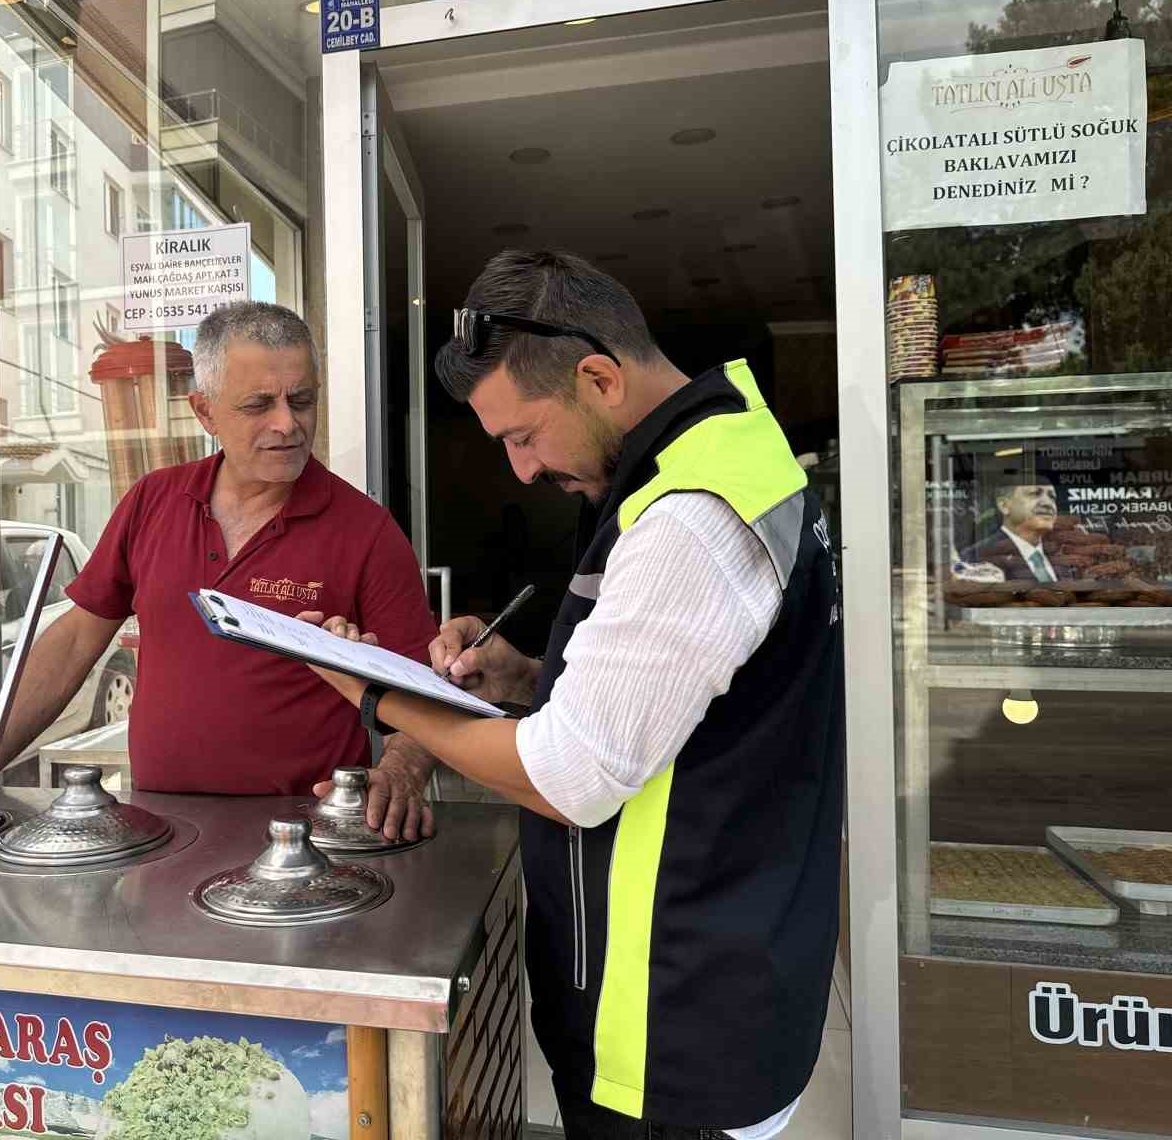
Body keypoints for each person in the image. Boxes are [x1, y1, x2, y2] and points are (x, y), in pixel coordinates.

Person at [306, 250, 843, 1138]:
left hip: (674, 1022)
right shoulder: (716, 456)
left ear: (597, 376)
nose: (520, 471)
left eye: (523, 437)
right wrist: (522, 675)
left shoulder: (692, 518)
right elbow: (694, 697)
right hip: (706, 969)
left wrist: (378, 697)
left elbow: (569, 777)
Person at [0, 302, 438, 839]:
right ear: (204, 412)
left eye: (301, 400)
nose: (287, 424)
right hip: (159, 829)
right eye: (258, 405)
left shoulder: (366, 530)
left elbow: (424, 689)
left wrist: (401, 769)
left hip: (304, 839)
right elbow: (76, 640)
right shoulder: (153, 500)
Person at [960, 475, 1072, 582]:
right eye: (1035, 494)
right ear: (1004, 506)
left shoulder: (1063, 555)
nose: (1048, 503)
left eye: (1052, 497)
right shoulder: (975, 556)